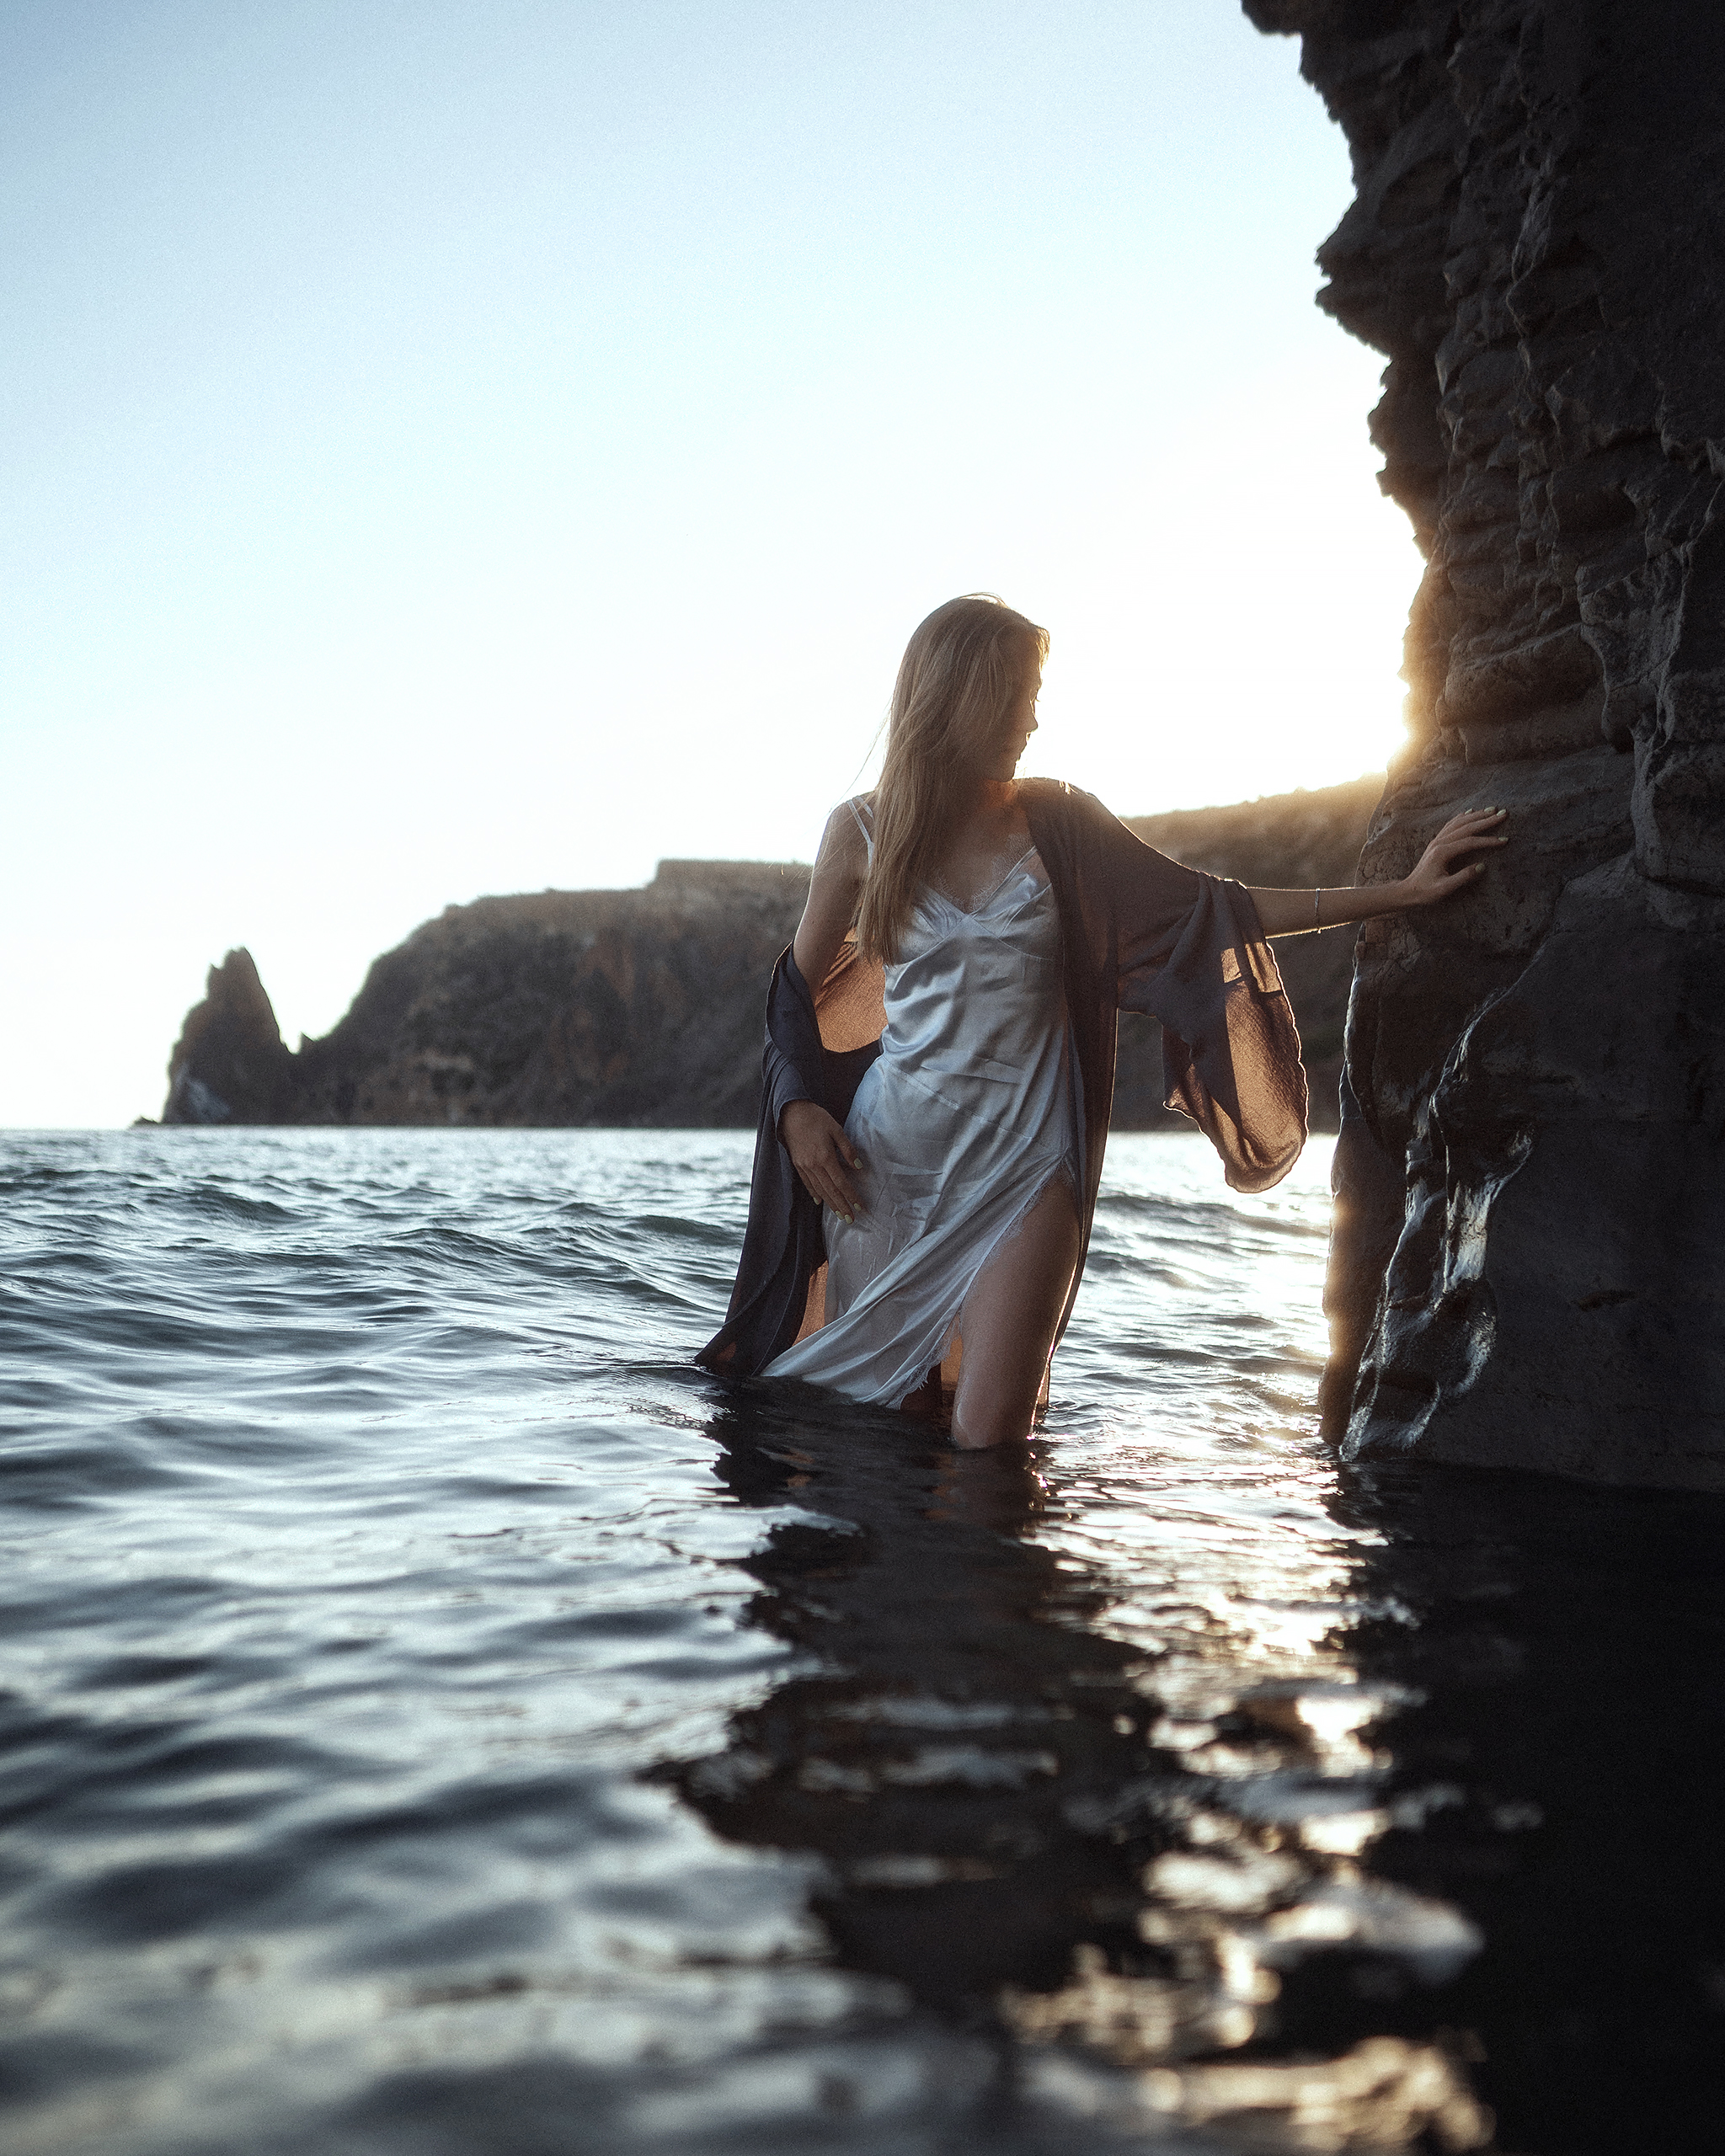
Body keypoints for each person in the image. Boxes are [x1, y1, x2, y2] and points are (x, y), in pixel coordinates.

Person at [697, 595, 1506, 1449]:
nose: (1030, 719)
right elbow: (795, 982)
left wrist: (1403, 891)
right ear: (954, 696)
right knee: (878, 1433)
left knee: (987, 1439)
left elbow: (1213, 910)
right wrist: (797, 1114)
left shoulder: (1061, 828)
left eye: (1033, 694)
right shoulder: (863, 830)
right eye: (1012, 694)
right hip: (887, 1167)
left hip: (1028, 1163)